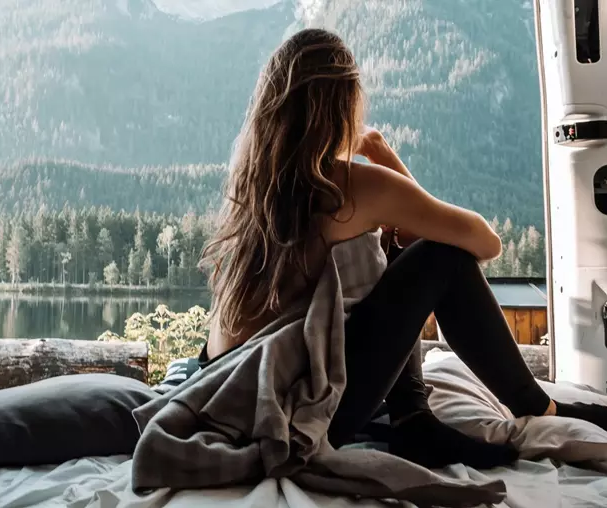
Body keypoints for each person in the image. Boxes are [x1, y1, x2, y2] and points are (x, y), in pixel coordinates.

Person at [198, 27, 607, 469]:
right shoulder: (348, 185)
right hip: (288, 419)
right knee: (441, 256)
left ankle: (414, 420)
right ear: (343, 105)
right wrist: (380, 152)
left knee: (392, 250)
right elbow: (484, 243)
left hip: (226, 398)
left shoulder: (253, 189)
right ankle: (535, 405)